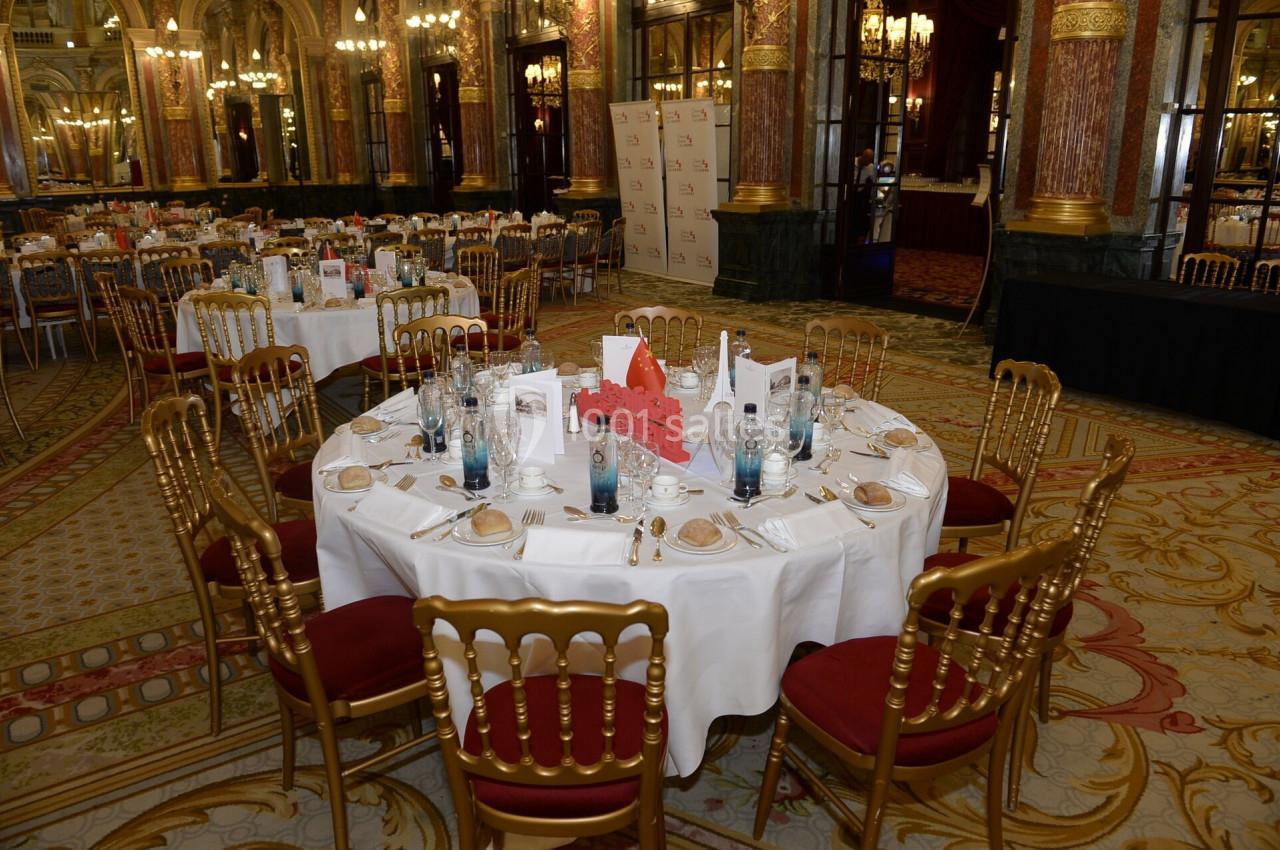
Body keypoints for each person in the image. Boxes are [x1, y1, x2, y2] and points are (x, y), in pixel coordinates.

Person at [850, 148, 877, 244]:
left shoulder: (870, 167)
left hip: (859, 194)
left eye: (870, 160)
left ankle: (858, 237)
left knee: (860, 217)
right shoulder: (851, 162)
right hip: (848, 192)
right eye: (868, 160)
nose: (868, 162)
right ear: (863, 156)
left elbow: (874, 181)